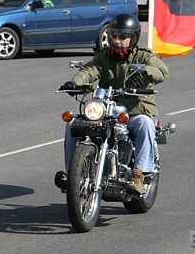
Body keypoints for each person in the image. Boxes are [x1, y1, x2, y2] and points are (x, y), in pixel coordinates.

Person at [55, 13, 169, 195]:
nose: (117, 40)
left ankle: (138, 175)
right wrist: (75, 82)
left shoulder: (142, 56)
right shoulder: (104, 57)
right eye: (113, 35)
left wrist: (146, 72)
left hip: (134, 110)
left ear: (133, 38)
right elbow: (89, 70)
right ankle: (72, 173)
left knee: (145, 124)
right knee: (72, 124)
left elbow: (162, 70)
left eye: (122, 37)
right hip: (107, 109)